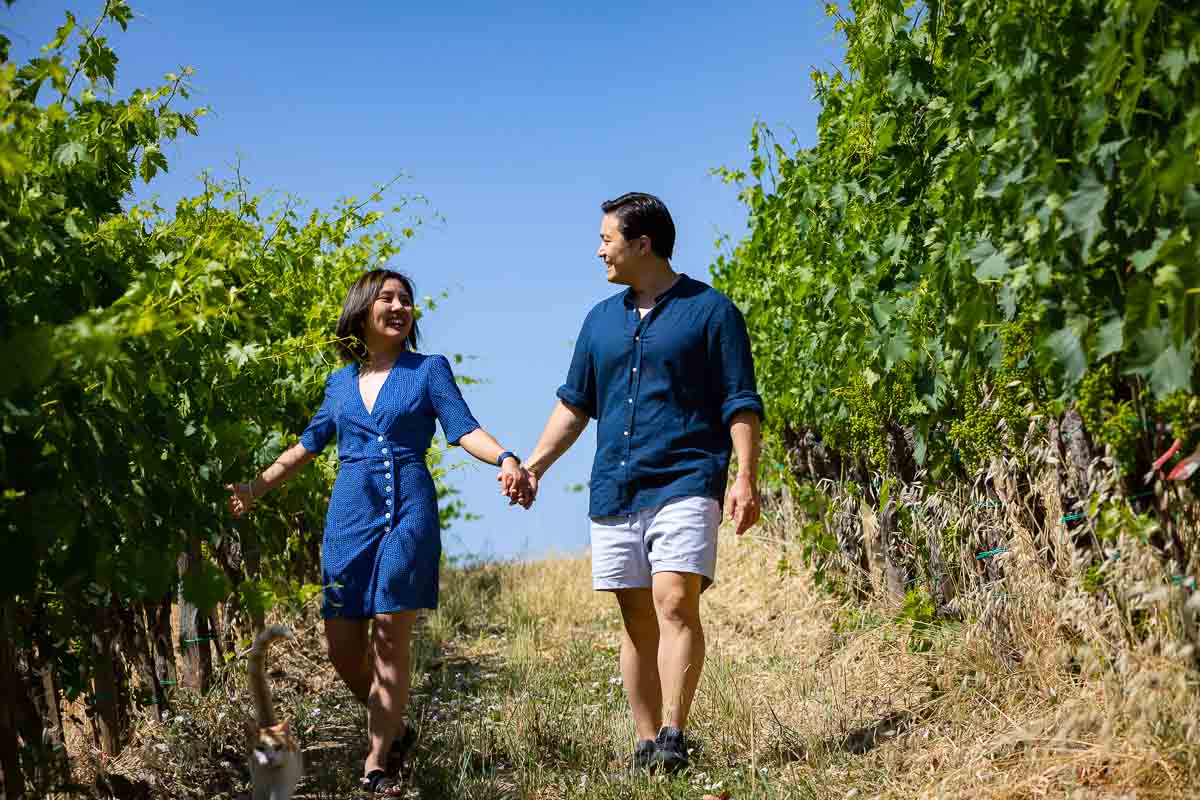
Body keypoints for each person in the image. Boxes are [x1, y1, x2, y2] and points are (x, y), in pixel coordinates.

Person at [227, 269, 532, 797]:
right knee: (343, 650)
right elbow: (306, 446)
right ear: (362, 310)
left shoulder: (428, 370)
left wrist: (505, 457)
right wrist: (256, 487)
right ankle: (395, 727)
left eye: (406, 300)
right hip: (348, 517)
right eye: (386, 298)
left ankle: (376, 763)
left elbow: (463, 428)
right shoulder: (339, 382)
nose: (398, 307)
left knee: (391, 635)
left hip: (408, 512)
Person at [514, 192, 764, 773]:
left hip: (686, 478)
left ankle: (676, 734)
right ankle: (647, 742)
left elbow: (741, 402)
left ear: (642, 243)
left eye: (607, 238)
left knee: (675, 601)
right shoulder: (599, 321)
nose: (599, 249)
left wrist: (744, 477)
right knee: (636, 619)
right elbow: (574, 406)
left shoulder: (711, 312)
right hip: (615, 491)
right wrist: (534, 466)